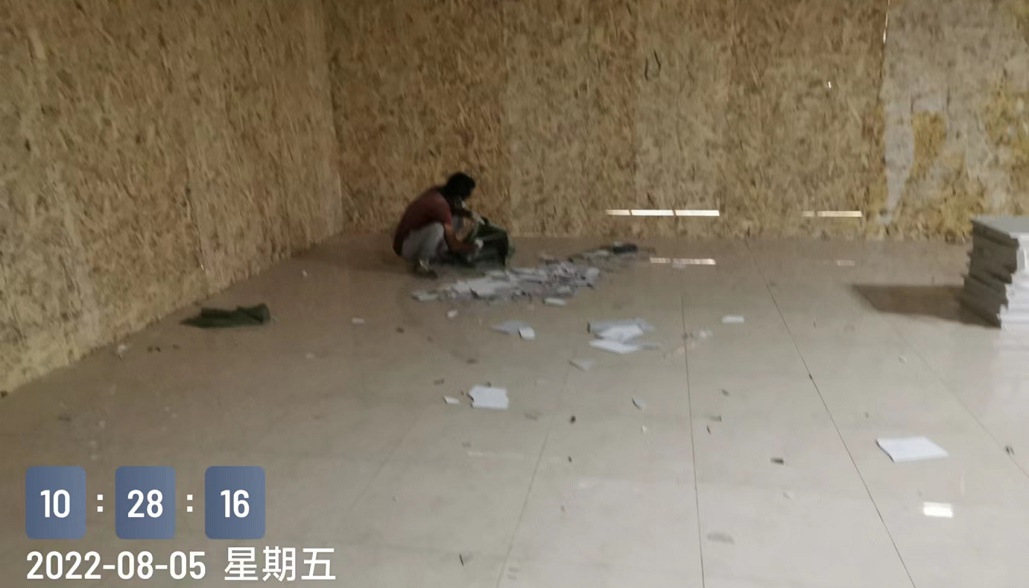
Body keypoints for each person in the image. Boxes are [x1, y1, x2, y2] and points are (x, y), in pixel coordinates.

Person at [392, 172, 482, 275]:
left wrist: (469, 214)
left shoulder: (439, 191)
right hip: (405, 247)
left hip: (414, 238)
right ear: (457, 196)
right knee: (437, 228)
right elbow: (453, 244)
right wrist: (472, 246)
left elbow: (456, 209)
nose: (463, 201)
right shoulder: (439, 205)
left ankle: (440, 253)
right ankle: (422, 262)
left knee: (457, 215)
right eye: (463, 198)